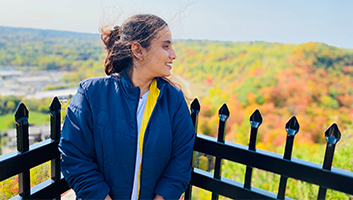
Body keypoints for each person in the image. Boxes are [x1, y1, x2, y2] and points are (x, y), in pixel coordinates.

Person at [58, 14, 195, 200]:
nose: (173, 54)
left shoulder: (174, 100)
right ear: (138, 50)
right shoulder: (91, 94)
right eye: (165, 46)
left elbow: (180, 163)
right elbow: (75, 157)